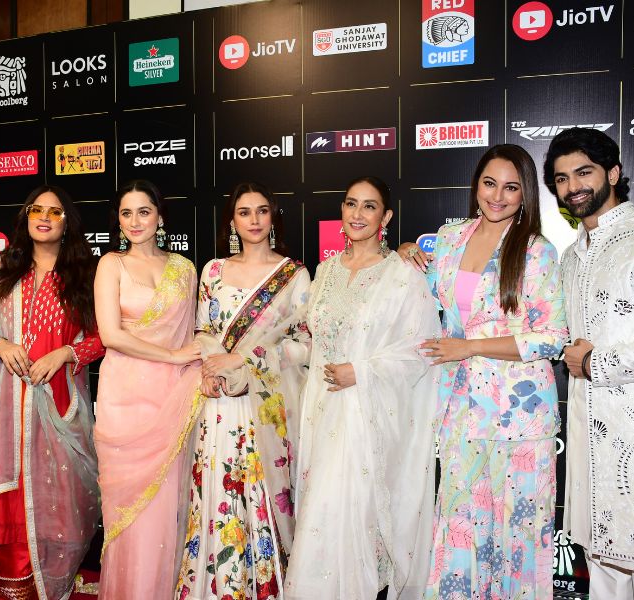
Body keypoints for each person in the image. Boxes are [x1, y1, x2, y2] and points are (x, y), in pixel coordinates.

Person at [400, 144, 567, 599]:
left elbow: (552, 337)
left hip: (520, 416)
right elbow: (426, 301)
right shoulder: (449, 237)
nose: (498, 196)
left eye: (511, 187)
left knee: (518, 535)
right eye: (490, 184)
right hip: (459, 408)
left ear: (525, 193)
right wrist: (405, 255)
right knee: (459, 524)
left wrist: (469, 347)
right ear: (476, 186)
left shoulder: (537, 251)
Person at [284, 176, 441, 600]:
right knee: (320, 518)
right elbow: (316, 342)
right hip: (322, 412)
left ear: (385, 217)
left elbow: (421, 349)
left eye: (369, 206)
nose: (357, 214)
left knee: (352, 518)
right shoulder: (325, 271)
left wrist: (361, 371)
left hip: (367, 418)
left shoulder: (402, 274)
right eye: (351, 204)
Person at [0, 185, 104, 600]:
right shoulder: (3, 267)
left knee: (58, 500)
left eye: (54, 212)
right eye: (36, 209)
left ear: (67, 223)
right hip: (4, 408)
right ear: (25, 217)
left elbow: (104, 337)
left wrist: (66, 353)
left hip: (58, 407)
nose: (44, 217)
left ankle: (53, 583)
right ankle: (12, 587)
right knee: (13, 500)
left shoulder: (85, 274)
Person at [546, 127, 634, 600]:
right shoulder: (569, 257)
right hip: (588, 451)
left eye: (584, 172)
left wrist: (598, 361)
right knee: (602, 575)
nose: (573, 186)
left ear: (613, 173)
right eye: (562, 178)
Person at [174, 182, 311, 600]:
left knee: (261, 491)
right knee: (218, 491)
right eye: (244, 212)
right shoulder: (213, 270)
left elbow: (306, 344)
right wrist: (212, 367)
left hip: (264, 407)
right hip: (217, 404)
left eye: (262, 211)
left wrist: (245, 361)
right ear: (231, 221)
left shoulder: (293, 275)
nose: (254, 220)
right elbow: (202, 330)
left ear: (273, 217)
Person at [93, 180, 202, 599]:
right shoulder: (111, 265)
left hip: (172, 398)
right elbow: (111, 335)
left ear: (160, 216)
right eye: (126, 213)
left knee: (168, 505)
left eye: (144, 211)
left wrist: (187, 362)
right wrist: (173, 356)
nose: (135, 221)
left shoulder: (185, 269)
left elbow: (191, 333)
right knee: (129, 512)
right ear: (118, 221)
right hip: (124, 401)